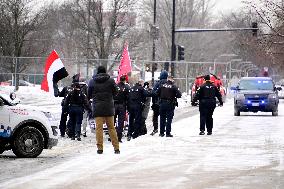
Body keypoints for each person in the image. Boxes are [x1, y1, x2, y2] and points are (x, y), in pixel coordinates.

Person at [89, 66, 120, 154]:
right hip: (109, 107)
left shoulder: (92, 81)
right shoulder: (110, 81)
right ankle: (116, 148)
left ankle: (100, 148)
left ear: (97, 72)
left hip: (97, 108)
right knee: (111, 128)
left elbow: (89, 94)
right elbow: (116, 93)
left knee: (99, 129)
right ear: (105, 71)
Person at [150, 70, 169, 136]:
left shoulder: (157, 83)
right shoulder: (168, 83)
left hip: (157, 103)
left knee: (155, 116)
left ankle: (155, 128)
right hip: (166, 103)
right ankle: (164, 128)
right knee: (165, 116)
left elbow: (153, 92)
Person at [114, 75, 130, 142]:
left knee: (112, 121)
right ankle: (119, 137)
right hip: (122, 106)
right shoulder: (126, 87)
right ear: (125, 80)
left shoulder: (115, 86)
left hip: (114, 105)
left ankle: (111, 136)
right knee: (121, 122)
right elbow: (128, 98)